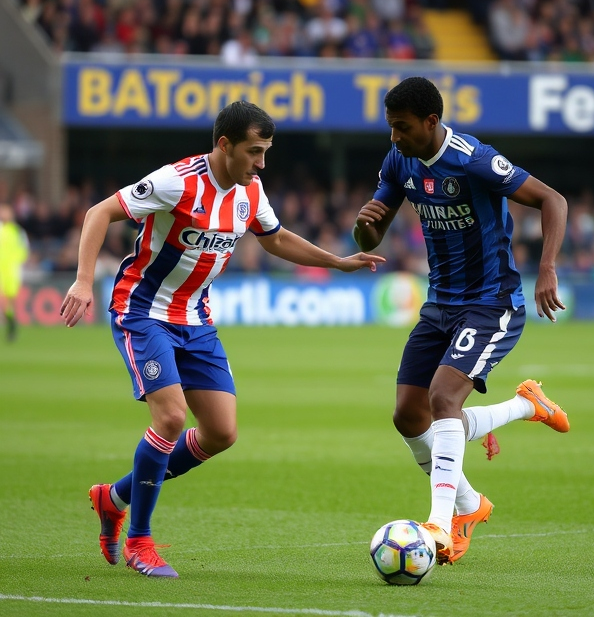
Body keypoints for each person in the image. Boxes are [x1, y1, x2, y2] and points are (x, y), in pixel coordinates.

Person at [60, 100, 385, 578]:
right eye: (255, 151)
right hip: (143, 312)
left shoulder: (250, 192)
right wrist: (84, 280)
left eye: (266, 152)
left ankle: (114, 498)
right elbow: (98, 213)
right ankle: (139, 541)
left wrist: (337, 261)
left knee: (221, 433)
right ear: (224, 144)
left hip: (196, 320)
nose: (262, 163)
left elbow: (275, 239)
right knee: (170, 417)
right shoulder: (177, 180)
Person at [353, 77, 569, 565]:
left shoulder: (474, 159)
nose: (394, 137)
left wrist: (548, 267)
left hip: (491, 303)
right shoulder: (399, 161)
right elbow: (370, 238)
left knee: (443, 399)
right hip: (440, 305)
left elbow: (553, 200)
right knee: (408, 416)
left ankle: (440, 523)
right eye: (390, 127)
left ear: (431, 121)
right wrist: (363, 228)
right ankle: (486, 477)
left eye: (402, 127)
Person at [0, 203, 30, 342]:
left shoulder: (18, 231)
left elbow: (24, 250)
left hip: (12, 270)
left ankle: (11, 325)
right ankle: (10, 324)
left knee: (10, 299)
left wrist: (17, 263)